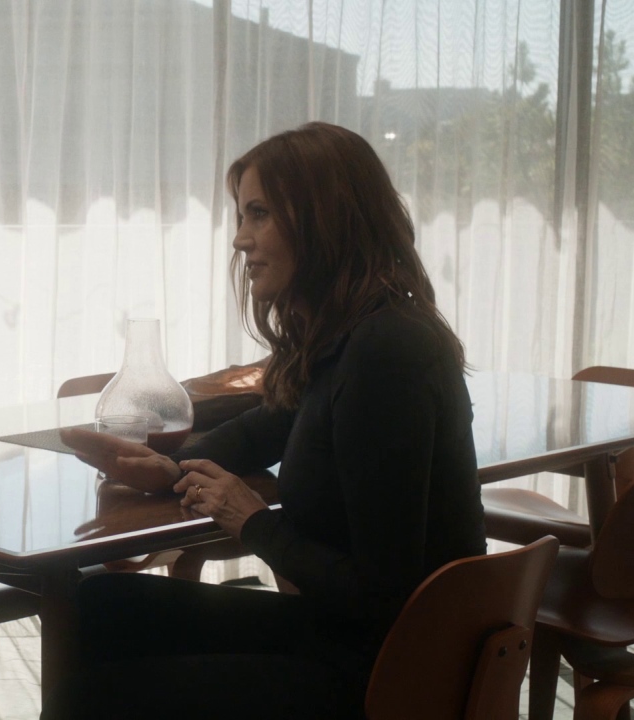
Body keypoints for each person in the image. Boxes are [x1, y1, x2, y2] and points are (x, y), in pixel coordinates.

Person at [46, 122, 487, 719]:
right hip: (350, 637)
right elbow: (265, 426)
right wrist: (167, 468)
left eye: (259, 214)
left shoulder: (386, 353)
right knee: (104, 604)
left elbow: (383, 593)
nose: (239, 239)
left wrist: (252, 522)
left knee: (86, 699)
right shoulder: (348, 337)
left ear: (325, 220)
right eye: (241, 216)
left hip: (389, 674)